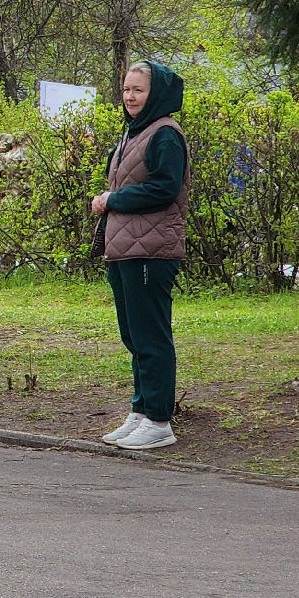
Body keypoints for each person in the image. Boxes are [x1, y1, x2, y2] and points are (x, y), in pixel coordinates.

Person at [94, 61, 189, 453]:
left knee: (151, 336)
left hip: (152, 250)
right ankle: (141, 410)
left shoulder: (165, 135)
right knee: (133, 335)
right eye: (127, 90)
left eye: (139, 91)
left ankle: (159, 421)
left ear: (157, 94)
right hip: (126, 250)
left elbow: (164, 188)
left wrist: (113, 199)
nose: (131, 97)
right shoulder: (134, 131)